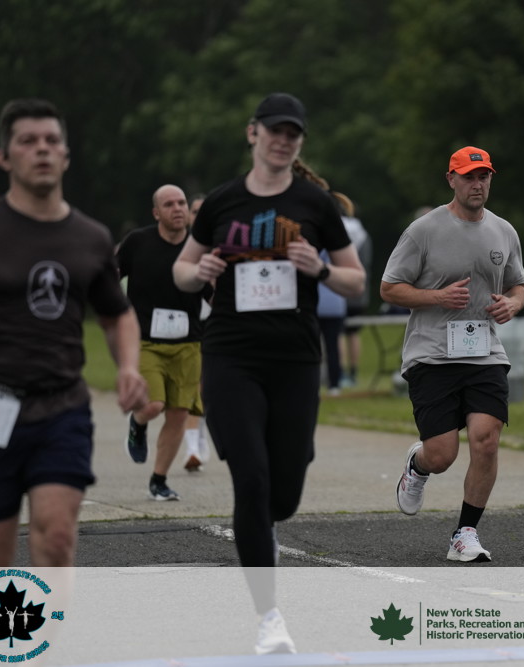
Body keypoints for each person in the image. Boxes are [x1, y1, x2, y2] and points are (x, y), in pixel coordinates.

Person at [172, 92, 365, 654]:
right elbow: (183, 268)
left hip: (295, 359)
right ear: (252, 133)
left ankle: (269, 514)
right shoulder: (223, 201)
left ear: (299, 142)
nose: (283, 141)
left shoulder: (315, 203)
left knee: (282, 495)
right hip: (231, 355)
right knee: (251, 480)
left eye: (292, 134)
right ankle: (269, 617)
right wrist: (200, 270)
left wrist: (320, 269)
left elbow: (356, 280)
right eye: (274, 131)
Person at [0, 98, 148, 567]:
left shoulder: (90, 237)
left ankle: (47, 622)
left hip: (62, 408)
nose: (41, 148)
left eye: (51, 140)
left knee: (57, 537)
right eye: (27, 141)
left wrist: (128, 367)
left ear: (66, 155)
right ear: (4, 157)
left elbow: (116, 314)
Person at [380, 146, 524, 563]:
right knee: (443, 455)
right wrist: (436, 296)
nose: (477, 184)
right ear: (451, 179)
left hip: (485, 353)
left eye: (484, 176)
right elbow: (389, 288)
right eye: (468, 177)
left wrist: (513, 304)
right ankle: (418, 465)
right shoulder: (423, 231)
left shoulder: (504, 231)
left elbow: (519, 284)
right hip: (431, 354)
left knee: (486, 440)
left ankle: (465, 533)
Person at [116, 184, 211, 500]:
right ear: (156, 213)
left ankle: (159, 480)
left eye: (182, 202)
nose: (178, 208)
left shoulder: (199, 247)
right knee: (153, 405)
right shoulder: (138, 242)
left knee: (179, 414)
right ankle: (138, 423)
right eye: (169, 204)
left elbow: (213, 294)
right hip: (145, 341)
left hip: (188, 343)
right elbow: (109, 277)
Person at [182, 192, 211, 472]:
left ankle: (200, 437)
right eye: (195, 212)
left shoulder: (223, 246)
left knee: (210, 387)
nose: (200, 217)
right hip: (189, 324)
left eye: (205, 211)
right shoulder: (181, 250)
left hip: (219, 323)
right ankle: (193, 447)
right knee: (193, 385)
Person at [335, 193, 372, 388]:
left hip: (338, 288)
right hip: (359, 291)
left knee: (338, 332)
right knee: (353, 333)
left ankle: (340, 372)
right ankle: (354, 372)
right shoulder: (363, 233)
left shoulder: (336, 229)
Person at [316, 247, 346, 396]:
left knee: (313, 348)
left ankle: (314, 383)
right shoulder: (338, 249)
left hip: (315, 304)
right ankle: (334, 384)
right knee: (333, 347)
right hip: (335, 304)